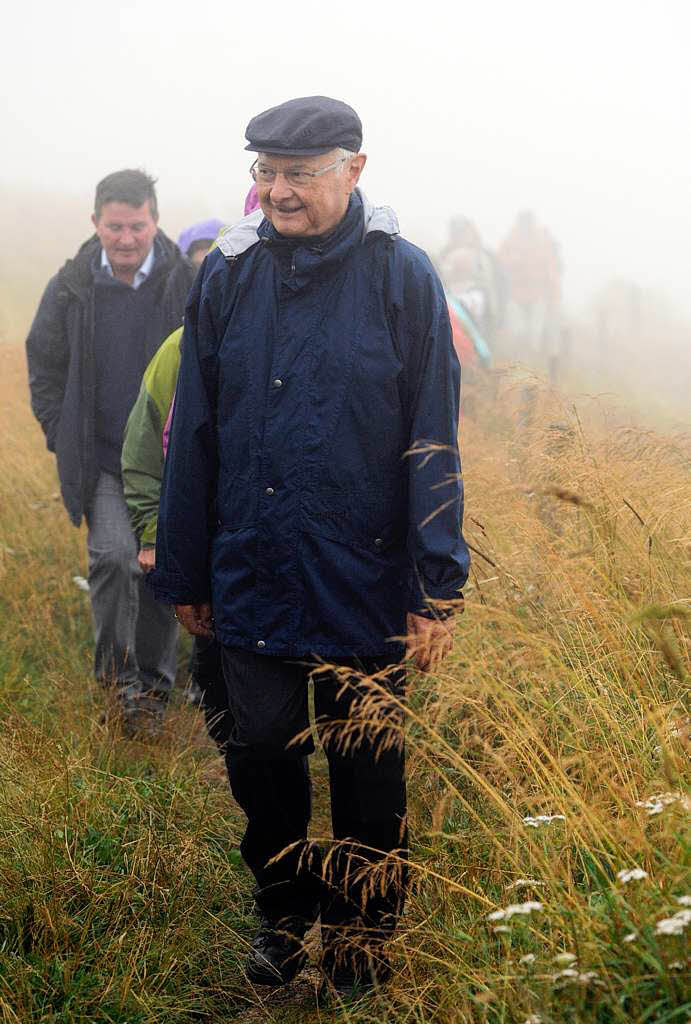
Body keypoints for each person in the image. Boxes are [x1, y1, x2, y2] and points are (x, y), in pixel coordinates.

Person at [150, 96, 469, 1002]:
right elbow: (197, 435)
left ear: (354, 170)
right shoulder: (230, 278)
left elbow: (432, 438)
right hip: (249, 571)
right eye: (265, 172)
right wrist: (186, 569)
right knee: (261, 758)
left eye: (299, 173)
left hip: (366, 579)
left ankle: (366, 939)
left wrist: (435, 585)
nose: (278, 192)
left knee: (369, 774)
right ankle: (283, 921)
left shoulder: (400, 277)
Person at [26, 169, 196, 734]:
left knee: (157, 570)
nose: (126, 238)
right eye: (115, 226)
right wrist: (60, 432)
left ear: (155, 221)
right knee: (113, 559)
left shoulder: (183, 283)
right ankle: (113, 684)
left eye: (137, 226)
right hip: (100, 459)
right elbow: (43, 363)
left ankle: (151, 690)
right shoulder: (71, 285)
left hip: (168, 462)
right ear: (96, 223)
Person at [122, 195, 259, 745]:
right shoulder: (180, 349)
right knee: (224, 680)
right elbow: (143, 452)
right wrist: (156, 536)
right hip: (211, 545)